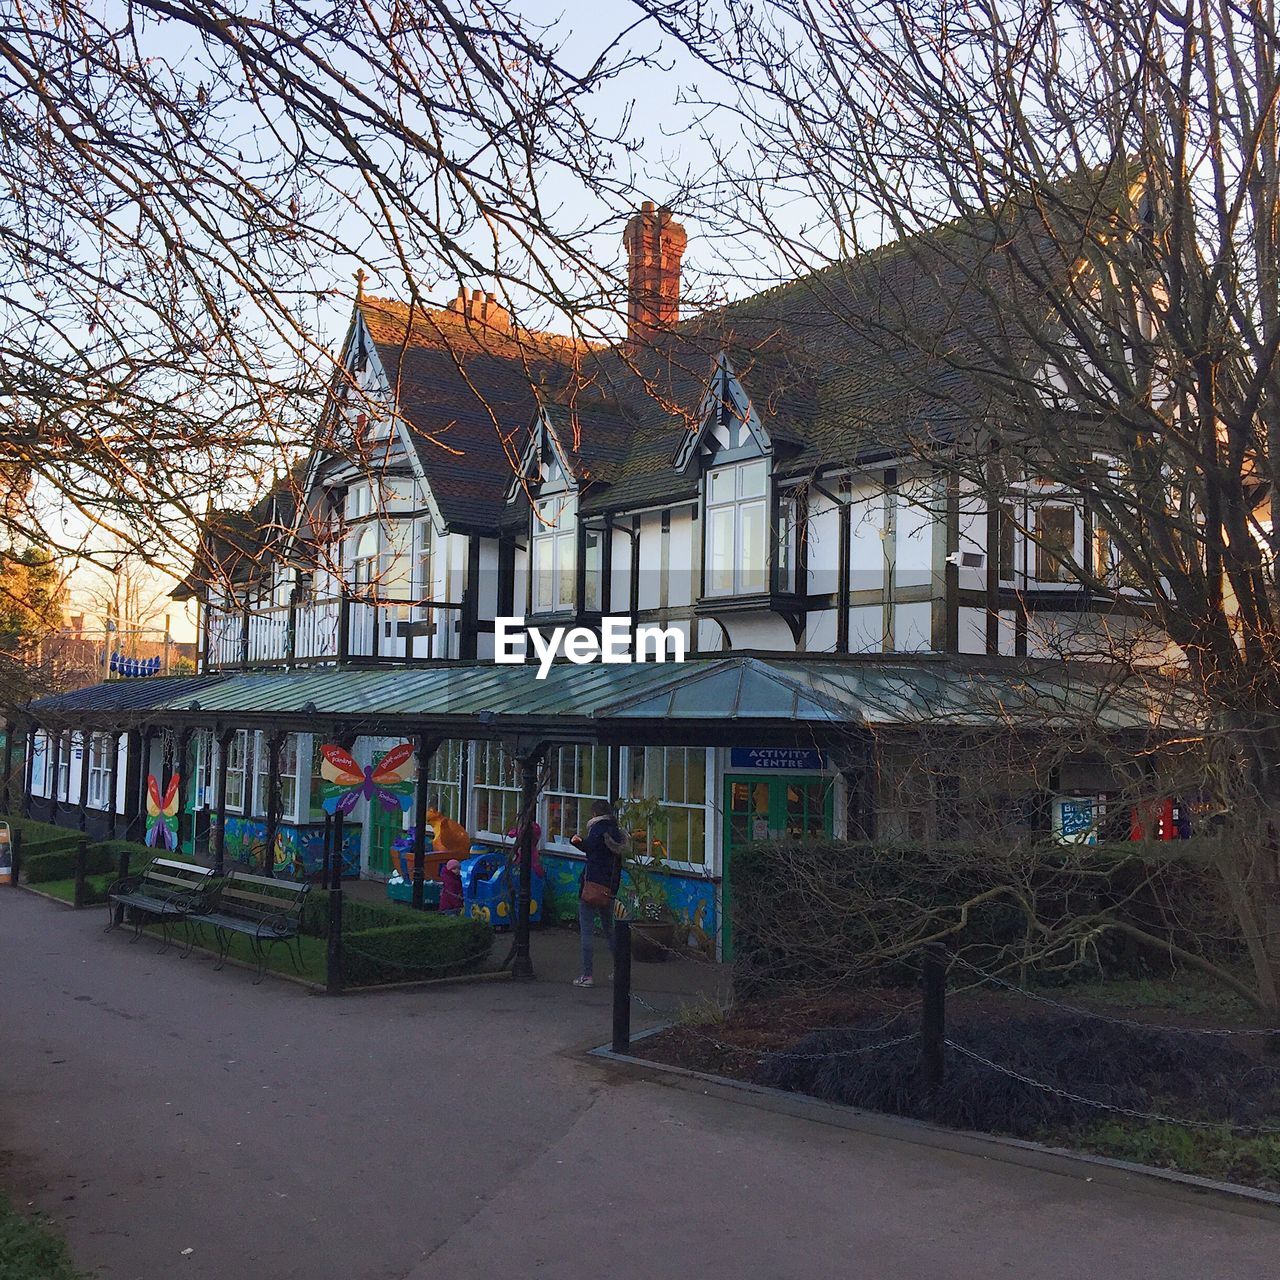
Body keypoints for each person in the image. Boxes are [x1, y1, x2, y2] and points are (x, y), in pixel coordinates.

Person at [574, 799, 628, 988]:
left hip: (590, 886)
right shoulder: (618, 834)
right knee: (610, 930)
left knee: (587, 931)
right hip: (609, 889)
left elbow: (590, 850)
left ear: (595, 814)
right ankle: (621, 970)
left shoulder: (596, 831)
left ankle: (587, 975)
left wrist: (577, 842)